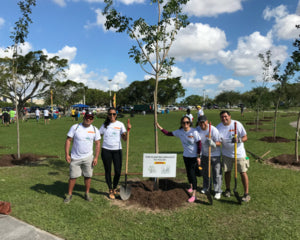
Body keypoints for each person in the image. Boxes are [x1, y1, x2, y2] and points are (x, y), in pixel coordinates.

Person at [156, 116, 201, 203]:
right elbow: (168, 133)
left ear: (190, 123)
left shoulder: (194, 132)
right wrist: (159, 127)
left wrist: (198, 156)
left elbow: (199, 144)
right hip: (185, 156)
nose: (186, 124)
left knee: (192, 174)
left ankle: (194, 195)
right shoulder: (179, 132)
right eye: (184, 123)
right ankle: (191, 187)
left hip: (194, 157)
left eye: (187, 122)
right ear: (181, 124)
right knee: (188, 173)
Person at [64, 111, 101, 203]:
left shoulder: (95, 129)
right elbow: (68, 140)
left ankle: (87, 193)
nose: (88, 119)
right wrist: (67, 154)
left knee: (88, 176)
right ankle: (69, 194)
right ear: (84, 117)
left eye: (91, 118)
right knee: (73, 177)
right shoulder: (75, 127)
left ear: (92, 120)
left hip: (88, 157)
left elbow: (97, 144)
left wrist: (96, 157)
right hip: (75, 157)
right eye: (87, 117)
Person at [216, 110, 250, 202]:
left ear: (230, 116)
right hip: (226, 154)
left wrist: (239, 140)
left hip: (239, 154)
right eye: (222, 117)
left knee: (243, 172)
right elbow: (218, 141)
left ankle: (246, 193)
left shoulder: (237, 124)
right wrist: (213, 143)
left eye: (225, 116)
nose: (224, 118)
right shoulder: (219, 127)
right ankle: (228, 189)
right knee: (227, 172)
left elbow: (245, 137)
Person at [99, 107, 131, 200]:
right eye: (110, 114)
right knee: (108, 170)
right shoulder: (104, 125)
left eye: (113, 114)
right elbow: (98, 135)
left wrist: (128, 131)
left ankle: (115, 187)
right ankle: (110, 189)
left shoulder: (120, 124)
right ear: (108, 115)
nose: (112, 116)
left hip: (117, 150)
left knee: (118, 171)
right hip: (106, 150)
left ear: (116, 115)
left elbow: (125, 139)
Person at [196, 115, 222, 200]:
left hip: (215, 154)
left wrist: (213, 143)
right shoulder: (198, 129)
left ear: (207, 121)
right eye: (200, 122)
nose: (202, 124)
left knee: (216, 173)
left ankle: (217, 191)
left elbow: (219, 142)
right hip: (205, 154)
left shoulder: (213, 130)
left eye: (203, 122)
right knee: (206, 172)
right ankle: (206, 187)